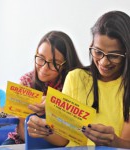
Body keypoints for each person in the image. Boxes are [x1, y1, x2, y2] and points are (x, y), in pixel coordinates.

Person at [27, 10, 130, 148]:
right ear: (90, 46)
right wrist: (42, 129)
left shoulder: (126, 86)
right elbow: (63, 138)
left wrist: (114, 142)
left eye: (114, 55)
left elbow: (125, 143)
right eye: (97, 52)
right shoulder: (76, 78)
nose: (104, 62)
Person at [2, 30, 83, 144]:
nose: (44, 68)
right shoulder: (26, 82)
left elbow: (72, 131)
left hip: (61, 143)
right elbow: (21, 129)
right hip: (23, 140)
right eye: (40, 58)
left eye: (54, 63)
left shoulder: (73, 83)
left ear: (66, 64)